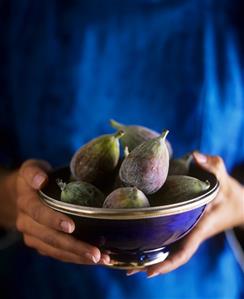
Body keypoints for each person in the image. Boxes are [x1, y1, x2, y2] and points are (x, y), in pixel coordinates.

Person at [0, 0, 244, 298]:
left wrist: (237, 203)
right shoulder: (17, 12)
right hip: (44, 285)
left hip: (199, 287)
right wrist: (13, 199)